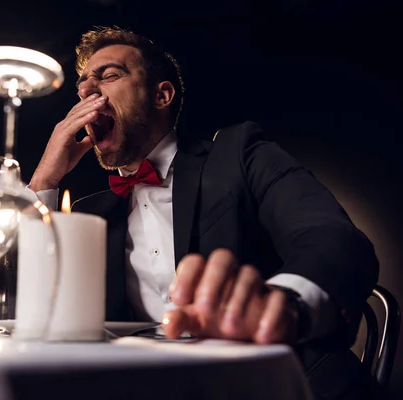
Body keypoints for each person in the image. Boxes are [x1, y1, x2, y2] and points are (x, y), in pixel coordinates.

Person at [29, 26, 379, 399]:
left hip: (279, 384)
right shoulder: (87, 215)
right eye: (82, 84)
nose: (86, 91)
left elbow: (331, 238)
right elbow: (26, 301)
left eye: (110, 75)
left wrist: (283, 304)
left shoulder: (239, 153)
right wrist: (44, 179)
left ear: (162, 95)